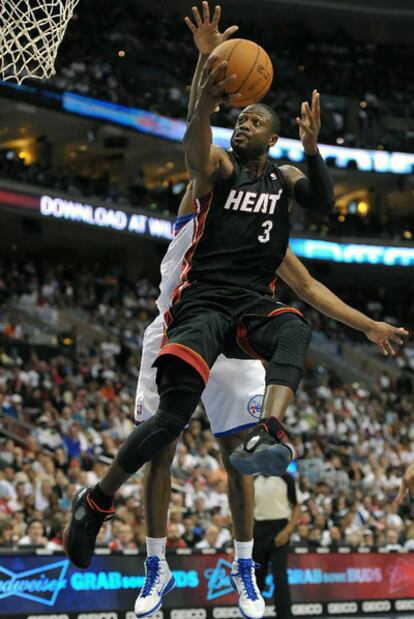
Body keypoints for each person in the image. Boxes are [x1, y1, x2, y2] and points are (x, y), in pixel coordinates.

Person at [63, 4, 408, 619]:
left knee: (241, 448)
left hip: (243, 320)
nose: (242, 122)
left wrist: (369, 324)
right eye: (239, 116)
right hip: (188, 316)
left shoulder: (273, 208)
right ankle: (151, 561)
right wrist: (204, 67)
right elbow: (197, 146)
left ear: (271, 138)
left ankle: (246, 563)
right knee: (164, 438)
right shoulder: (211, 178)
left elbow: (307, 286)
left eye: (253, 116)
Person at [253, 472, 301, 619]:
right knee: (256, 577)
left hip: (280, 527)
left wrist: (287, 531)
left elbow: (297, 506)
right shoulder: (254, 480)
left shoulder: (286, 478)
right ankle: (253, 614)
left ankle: (284, 615)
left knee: (280, 576)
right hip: (259, 529)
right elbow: (248, 508)